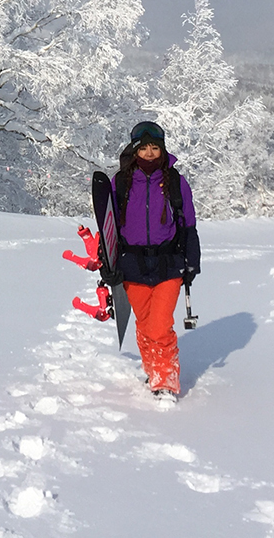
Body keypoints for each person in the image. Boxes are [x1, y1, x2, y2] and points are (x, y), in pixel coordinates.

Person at [114, 120, 201, 398]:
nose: (150, 153)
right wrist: (109, 263)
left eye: (155, 147)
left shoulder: (175, 182)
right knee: (144, 323)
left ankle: (165, 381)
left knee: (160, 325)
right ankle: (153, 369)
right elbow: (110, 227)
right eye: (144, 148)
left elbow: (188, 223)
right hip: (132, 263)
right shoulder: (121, 183)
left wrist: (192, 260)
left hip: (168, 262)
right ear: (134, 150)